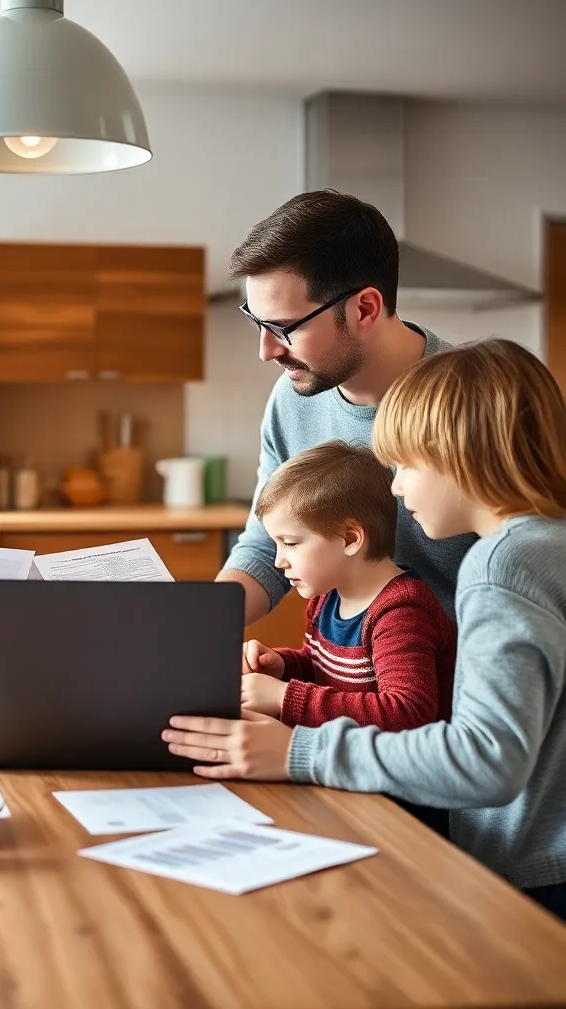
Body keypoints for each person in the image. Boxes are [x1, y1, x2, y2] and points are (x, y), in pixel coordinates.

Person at [162, 339, 566, 920]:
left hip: (538, 874)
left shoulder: (502, 566)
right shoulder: (545, 545)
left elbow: (486, 760)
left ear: (463, 453)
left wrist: (298, 751)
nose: (396, 490)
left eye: (406, 465)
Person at [216, 190, 475, 623]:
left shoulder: (473, 406)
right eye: (256, 322)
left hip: (452, 686)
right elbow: (266, 545)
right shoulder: (291, 400)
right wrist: (195, 622)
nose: (265, 351)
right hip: (347, 681)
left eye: (283, 328)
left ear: (365, 308)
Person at [241, 441, 456, 732]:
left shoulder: (401, 612)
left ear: (350, 539)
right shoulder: (327, 596)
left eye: (290, 543)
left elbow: (408, 713)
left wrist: (283, 696)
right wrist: (282, 665)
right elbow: (321, 670)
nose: (279, 561)